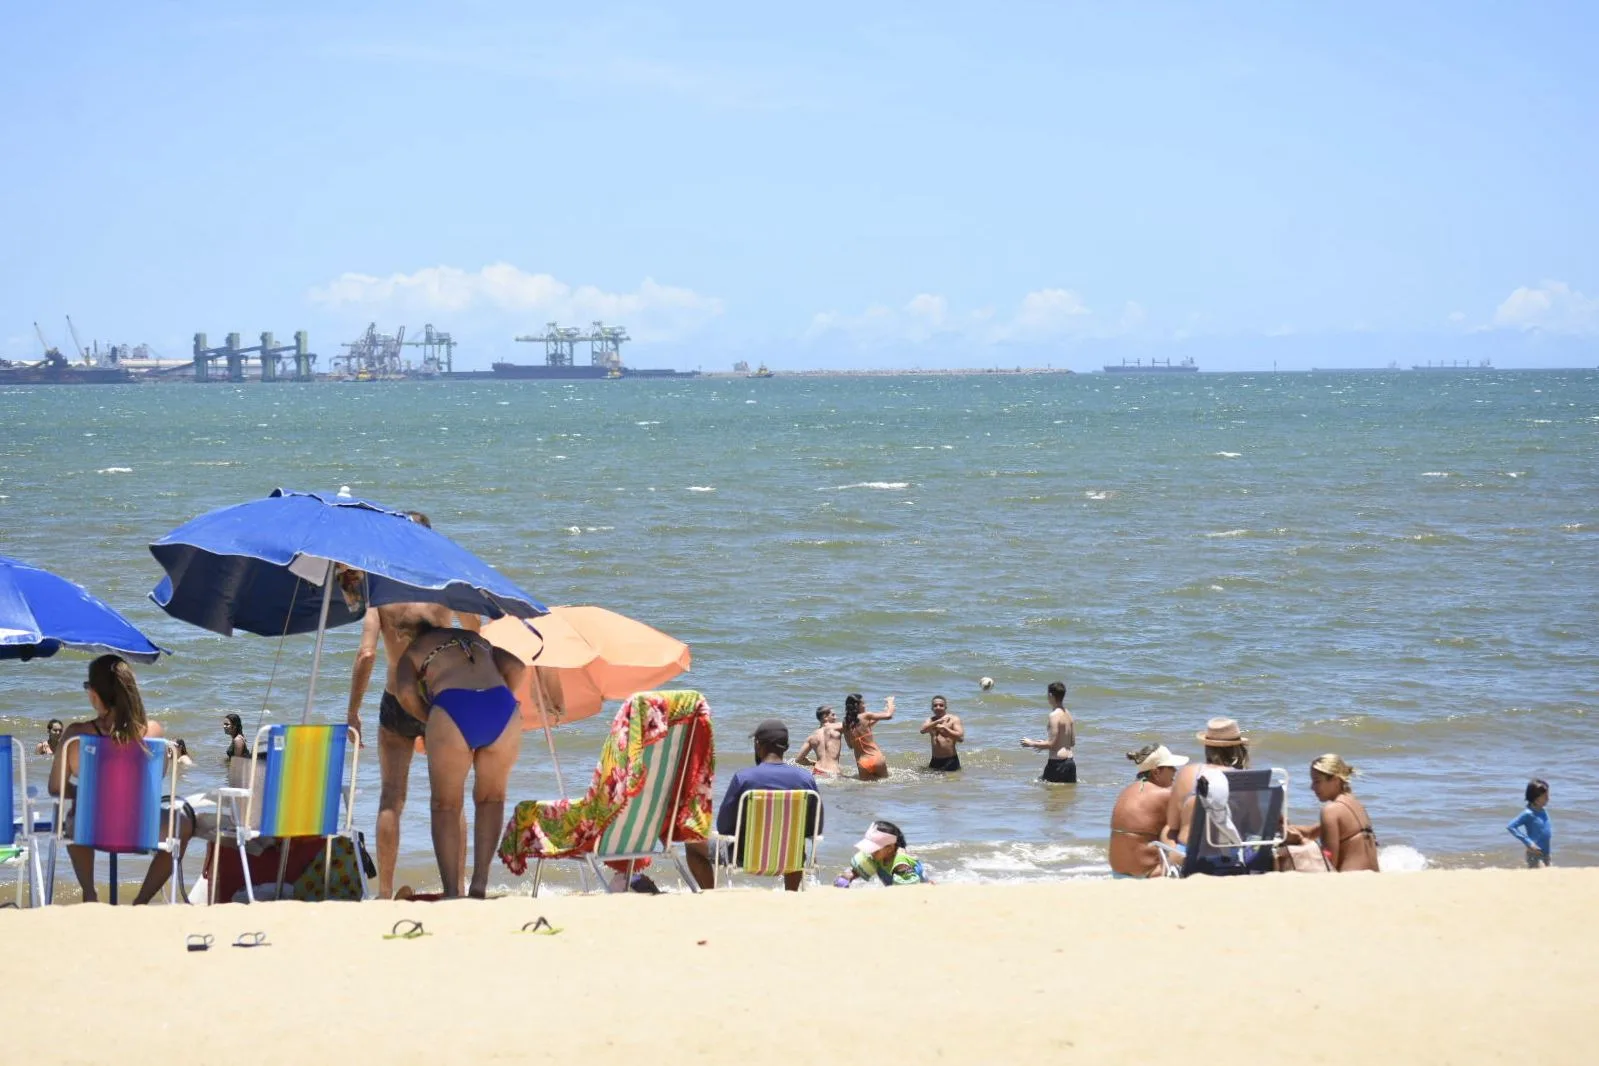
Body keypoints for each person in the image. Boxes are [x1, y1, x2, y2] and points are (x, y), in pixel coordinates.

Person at [345, 509, 482, 899]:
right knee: (450, 797)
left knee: (392, 797)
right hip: (442, 699)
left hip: (397, 700)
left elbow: (367, 655)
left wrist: (352, 710)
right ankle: (455, 889)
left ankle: (386, 892)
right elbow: (475, 630)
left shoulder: (381, 591)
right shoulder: (446, 584)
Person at [393, 622, 525, 899]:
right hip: (502, 706)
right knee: (491, 799)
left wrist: (430, 719)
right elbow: (517, 666)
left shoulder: (415, 650)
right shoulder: (475, 639)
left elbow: (404, 692)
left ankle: (453, 891)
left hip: (453, 707)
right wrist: (504, 698)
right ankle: (479, 885)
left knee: (446, 806)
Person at [47, 654, 188, 904]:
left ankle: (89, 892)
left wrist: (84, 793)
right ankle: (141, 900)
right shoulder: (153, 732)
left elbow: (56, 788)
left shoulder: (76, 736)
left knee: (73, 819)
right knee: (184, 824)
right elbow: (156, 780)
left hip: (91, 831)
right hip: (141, 829)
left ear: (94, 694)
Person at [685, 719, 821, 890]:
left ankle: (709, 892)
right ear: (786, 747)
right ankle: (791, 893)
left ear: (758, 745)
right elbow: (815, 828)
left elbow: (724, 826)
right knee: (795, 843)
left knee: (691, 841)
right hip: (790, 859)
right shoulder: (805, 778)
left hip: (744, 856)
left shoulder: (744, 778)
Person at [1286, 754, 1379, 873]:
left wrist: (1300, 841)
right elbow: (1312, 832)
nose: (1312, 787)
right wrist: (1286, 829)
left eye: (1317, 782)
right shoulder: (1355, 804)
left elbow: (1328, 862)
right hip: (1372, 877)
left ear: (1335, 780)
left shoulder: (1331, 810)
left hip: (1350, 881)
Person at [1165, 717, 1250, 846]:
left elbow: (1172, 823)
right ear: (1239, 749)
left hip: (1192, 857)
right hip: (1234, 853)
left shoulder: (1188, 773)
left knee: (1166, 831)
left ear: (1207, 747)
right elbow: (1255, 825)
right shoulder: (1248, 780)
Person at [1108, 744, 1188, 879]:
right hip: (1148, 872)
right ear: (1156, 772)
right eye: (1171, 767)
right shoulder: (1164, 794)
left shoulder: (1127, 791)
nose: (1175, 771)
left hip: (1118, 871)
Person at [834, 820, 930, 886]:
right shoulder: (875, 856)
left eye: (874, 848)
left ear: (889, 848)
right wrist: (845, 879)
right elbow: (854, 872)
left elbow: (911, 888)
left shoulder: (900, 862)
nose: (870, 851)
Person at [1021, 681, 1076, 783]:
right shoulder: (1068, 714)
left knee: (1048, 794)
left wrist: (1031, 743)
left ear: (1051, 695)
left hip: (1057, 764)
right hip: (1070, 764)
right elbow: (1072, 742)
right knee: (1066, 796)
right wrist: (1042, 743)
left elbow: (1051, 744)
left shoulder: (1054, 715)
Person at [842, 693, 895, 780]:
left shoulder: (845, 722)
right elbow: (889, 715)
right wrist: (890, 702)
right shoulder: (866, 715)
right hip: (876, 758)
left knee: (867, 789)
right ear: (857, 705)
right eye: (863, 703)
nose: (865, 705)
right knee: (886, 784)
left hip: (863, 763)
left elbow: (850, 746)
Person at [1506, 779, 1551, 868]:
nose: (1548, 799)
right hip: (1534, 853)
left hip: (1546, 851)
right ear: (1536, 799)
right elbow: (1511, 826)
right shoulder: (1528, 813)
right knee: (1535, 875)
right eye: (1545, 796)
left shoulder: (1543, 810)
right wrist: (1529, 843)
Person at [794, 706, 843, 776]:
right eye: (833, 715)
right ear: (825, 717)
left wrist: (813, 763)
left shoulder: (811, 736)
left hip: (817, 771)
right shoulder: (837, 727)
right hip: (833, 773)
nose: (836, 717)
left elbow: (799, 760)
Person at [919, 695, 965, 772]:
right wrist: (937, 722)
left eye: (941, 705)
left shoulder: (954, 719)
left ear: (945, 707)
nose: (938, 707)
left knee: (951, 782)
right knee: (933, 783)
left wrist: (945, 729)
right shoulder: (930, 720)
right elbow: (922, 730)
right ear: (932, 708)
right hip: (935, 760)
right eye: (935, 705)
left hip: (950, 759)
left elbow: (960, 738)